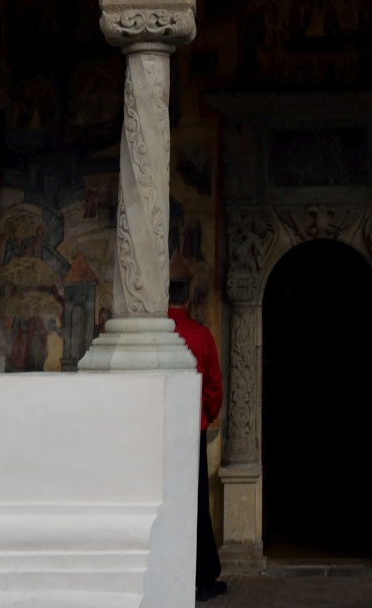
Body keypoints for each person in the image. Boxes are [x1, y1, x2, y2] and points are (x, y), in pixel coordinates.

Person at [168, 253, 226, 601]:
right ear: (187, 297)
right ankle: (202, 578)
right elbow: (214, 388)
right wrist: (206, 416)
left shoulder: (156, 335)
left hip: (154, 430)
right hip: (192, 431)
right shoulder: (201, 335)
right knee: (196, 502)